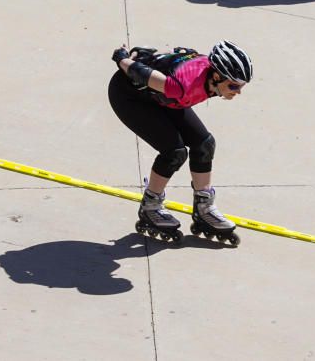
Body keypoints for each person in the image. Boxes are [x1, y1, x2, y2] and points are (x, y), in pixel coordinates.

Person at [107, 41, 253, 245]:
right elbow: (141, 74)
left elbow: (182, 53)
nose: (238, 92)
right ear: (217, 77)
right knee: (173, 152)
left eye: (241, 86)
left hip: (162, 97)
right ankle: (150, 206)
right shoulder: (182, 86)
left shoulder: (208, 72)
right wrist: (122, 58)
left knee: (204, 144)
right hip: (129, 97)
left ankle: (204, 209)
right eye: (234, 86)